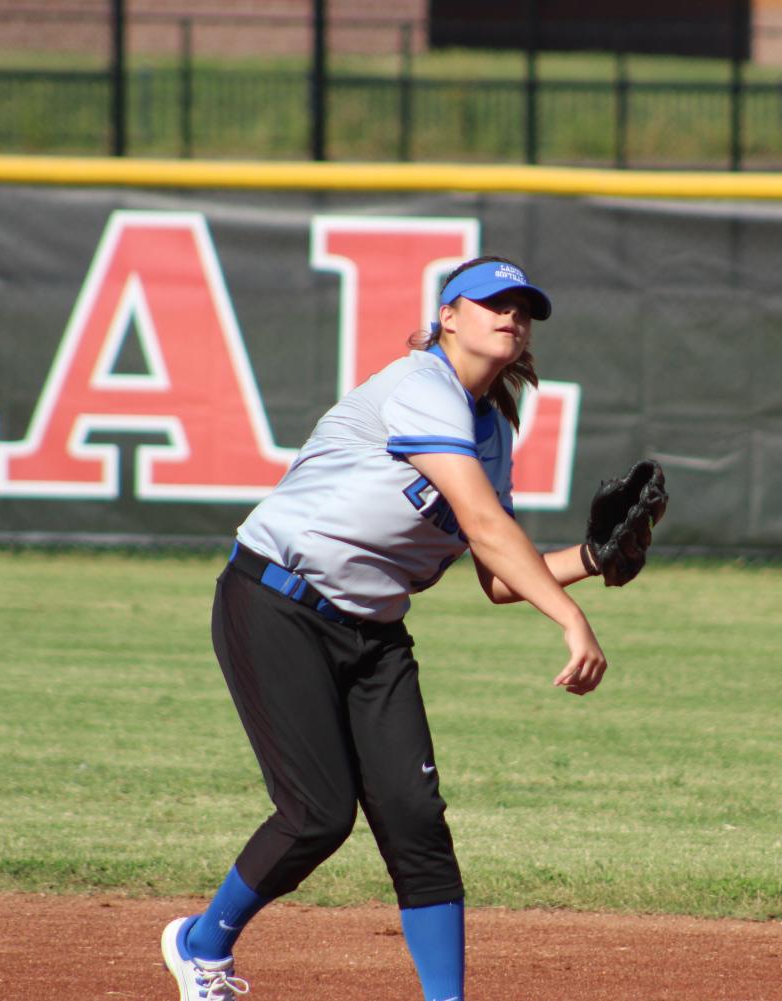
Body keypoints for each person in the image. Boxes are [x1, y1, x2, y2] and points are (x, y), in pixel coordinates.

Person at [162, 256, 616, 1001]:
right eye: (492, 302)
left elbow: (498, 575)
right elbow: (481, 521)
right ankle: (201, 942)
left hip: (372, 632)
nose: (511, 316)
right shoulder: (418, 385)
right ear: (448, 317)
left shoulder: (489, 425)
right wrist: (569, 616)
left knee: (415, 820)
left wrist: (594, 558)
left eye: (522, 308)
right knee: (317, 813)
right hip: (276, 602)